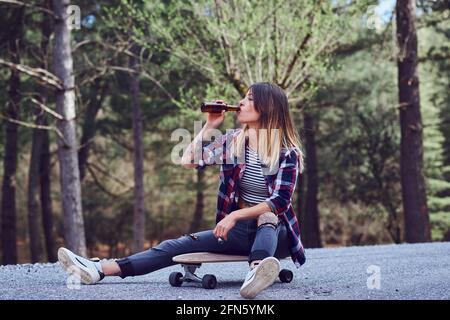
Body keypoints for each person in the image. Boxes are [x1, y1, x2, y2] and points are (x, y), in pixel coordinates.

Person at [58, 82, 306, 299]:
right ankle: (100, 269)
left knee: (267, 215)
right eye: (244, 97)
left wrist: (233, 216)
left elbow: (279, 201)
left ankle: (257, 271)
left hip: (278, 237)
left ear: (267, 108)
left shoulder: (287, 152)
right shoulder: (234, 142)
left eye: (250, 98)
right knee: (178, 244)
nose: (241, 102)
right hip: (240, 233)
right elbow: (188, 160)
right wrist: (209, 126)